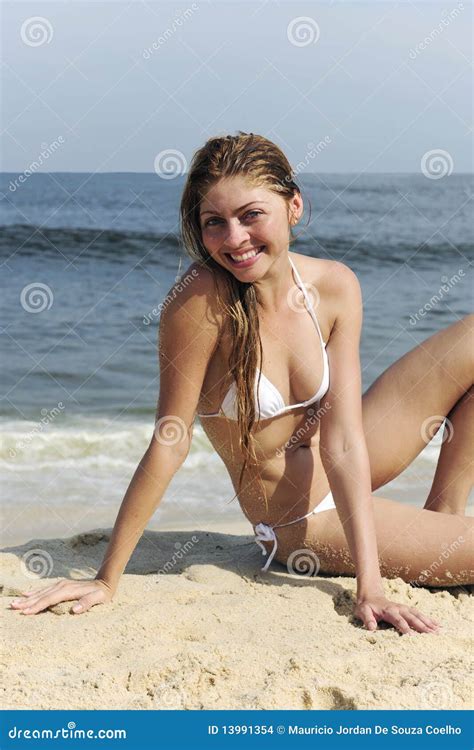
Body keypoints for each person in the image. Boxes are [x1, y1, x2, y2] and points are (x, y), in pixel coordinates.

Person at [11, 133, 473, 634]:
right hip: (302, 521)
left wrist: (371, 585)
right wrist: (106, 579)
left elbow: (343, 440)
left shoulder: (335, 285)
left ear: (293, 205)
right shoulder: (200, 304)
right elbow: (171, 441)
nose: (234, 239)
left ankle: (443, 514)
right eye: (215, 223)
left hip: (343, 459)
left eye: (251, 215)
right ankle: (440, 535)